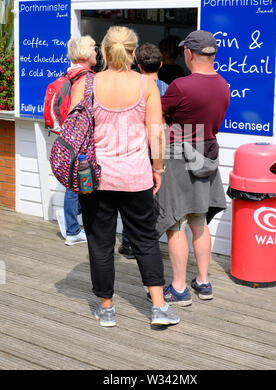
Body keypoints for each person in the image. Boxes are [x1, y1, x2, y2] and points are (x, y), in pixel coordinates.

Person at [69, 26, 180, 328]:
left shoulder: (86, 84)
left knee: (100, 242)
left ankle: (106, 309)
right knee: (145, 240)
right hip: (136, 177)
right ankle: (158, 306)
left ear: (103, 52)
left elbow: (73, 130)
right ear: (133, 53)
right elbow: (157, 134)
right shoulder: (147, 85)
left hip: (96, 178)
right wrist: (158, 169)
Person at [154, 30, 230, 306]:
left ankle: (178, 288)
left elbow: (156, 114)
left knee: (175, 223)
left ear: (189, 54)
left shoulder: (181, 86)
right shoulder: (224, 85)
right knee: (199, 221)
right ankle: (203, 281)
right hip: (207, 153)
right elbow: (214, 126)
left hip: (177, 157)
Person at [118, 43, 169, 259]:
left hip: (134, 147)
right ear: (161, 63)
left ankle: (129, 243)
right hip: (156, 148)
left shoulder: (132, 87)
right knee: (154, 198)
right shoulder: (168, 88)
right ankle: (148, 241)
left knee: (131, 197)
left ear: (138, 65)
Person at [56, 35, 97, 246]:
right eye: (93, 48)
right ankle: (72, 228)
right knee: (78, 183)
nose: (96, 52)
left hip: (68, 135)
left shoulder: (70, 74)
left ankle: (70, 219)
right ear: (85, 53)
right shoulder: (87, 77)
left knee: (80, 182)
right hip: (80, 138)